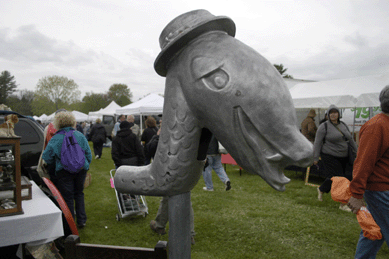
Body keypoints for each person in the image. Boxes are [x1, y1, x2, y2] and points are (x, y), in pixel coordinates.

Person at [347, 85, 389, 258]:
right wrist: (356, 194)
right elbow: (363, 162)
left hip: (384, 189)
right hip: (380, 191)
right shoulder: (377, 126)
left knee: (374, 231)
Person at [42, 111, 92, 228]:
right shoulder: (79, 135)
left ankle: (70, 223)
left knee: (67, 197)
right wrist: (85, 165)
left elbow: (47, 157)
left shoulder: (56, 138)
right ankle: (82, 220)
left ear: (57, 123)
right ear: (72, 122)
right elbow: (88, 154)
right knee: (79, 194)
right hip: (81, 169)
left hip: (64, 171)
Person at [145, 128, 196, 245]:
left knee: (183, 198)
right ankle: (160, 225)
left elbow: (151, 148)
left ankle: (188, 234)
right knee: (168, 197)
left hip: (176, 168)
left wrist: (158, 136)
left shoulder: (180, 127)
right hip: (182, 168)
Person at [313, 104, 357, 211]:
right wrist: (315, 157)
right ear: (328, 115)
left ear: (338, 114)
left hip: (344, 156)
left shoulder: (343, 125)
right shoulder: (324, 126)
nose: (333, 114)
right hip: (329, 156)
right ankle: (343, 204)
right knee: (340, 179)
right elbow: (317, 142)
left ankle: (322, 189)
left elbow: (350, 140)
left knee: (345, 177)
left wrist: (357, 152)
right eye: (331, 113)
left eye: (335, 112)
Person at [37, 108, 67, 179]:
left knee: (53, 180)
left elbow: (45, 143)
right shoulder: (67, 128)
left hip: (51, 159)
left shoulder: (48, 127)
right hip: (64, 159)